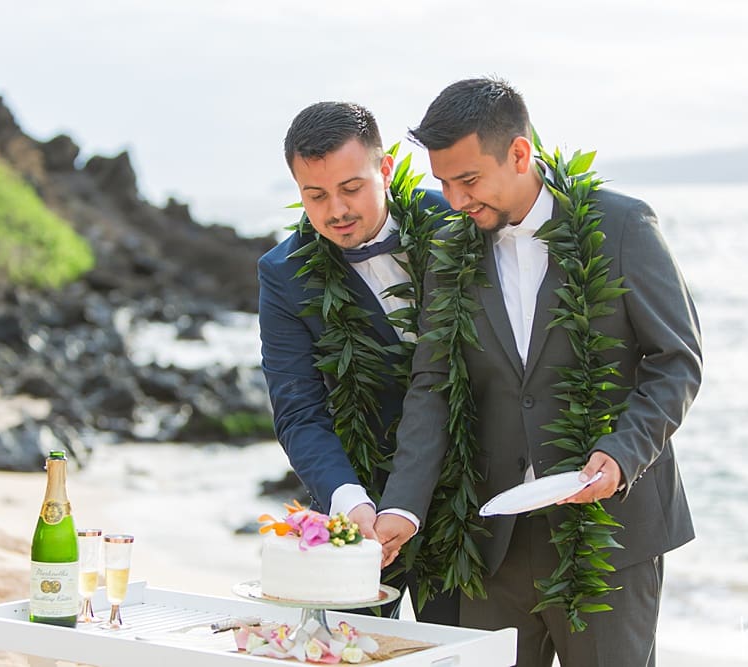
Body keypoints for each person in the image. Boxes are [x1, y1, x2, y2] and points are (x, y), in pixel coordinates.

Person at [375, 78, 702, 666]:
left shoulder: (623, 225)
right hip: (491, 544)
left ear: (520, 153)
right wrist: (402, 507)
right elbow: (432, 389)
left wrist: (622, 454)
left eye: (468, 180)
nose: (454, 199)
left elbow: (676, 360)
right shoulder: (449, 252)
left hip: (610, 537)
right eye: (443, 182)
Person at [258, 101, 458, 624]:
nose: (336, 211)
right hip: (360, 509)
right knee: (347, 649)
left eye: (351, 188)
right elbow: (298, 410)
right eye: (316, 195)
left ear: (385, 169)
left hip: (469, 503)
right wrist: (349, 502)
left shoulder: (456, 223)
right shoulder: (283, 275)